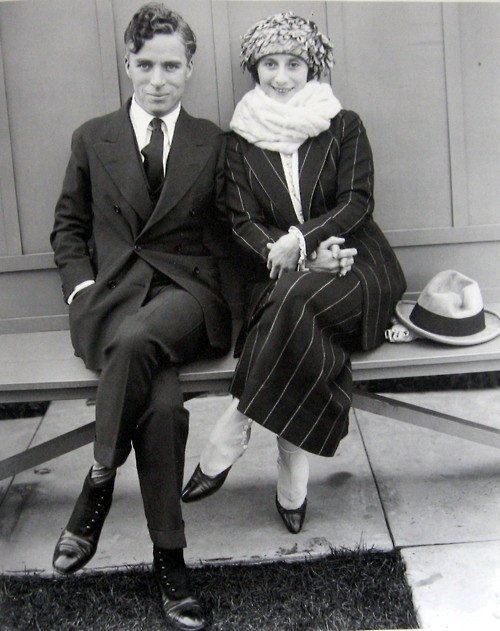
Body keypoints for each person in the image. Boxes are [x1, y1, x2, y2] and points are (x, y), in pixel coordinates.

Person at [182, 11, 406, 535]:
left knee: (288, 305)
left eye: (293, 64)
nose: (281, 76)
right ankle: (291, 468)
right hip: (287, 278)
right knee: (293, 306)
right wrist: (304, 257)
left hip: (357, 268)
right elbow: (240, 220)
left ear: (313, 69)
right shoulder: (238, 143)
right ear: (254, 68)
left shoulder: (343, 124)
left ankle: (234, 426)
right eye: (269, 64)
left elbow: (357, 201)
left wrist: (302, 241)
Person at [50, 4, 231, 629]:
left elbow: (234, 229)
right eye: (147, 64)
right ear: (128, 64)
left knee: (142, 338)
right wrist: (79, 291)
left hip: (187, 293)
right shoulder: (91, 137)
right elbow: (69, 228)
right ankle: (171, 561)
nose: (159, 78)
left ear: (190, 68)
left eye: (172, 66)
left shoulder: (213, 140)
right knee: (158, 401)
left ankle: (97, 483)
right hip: (111, 299)